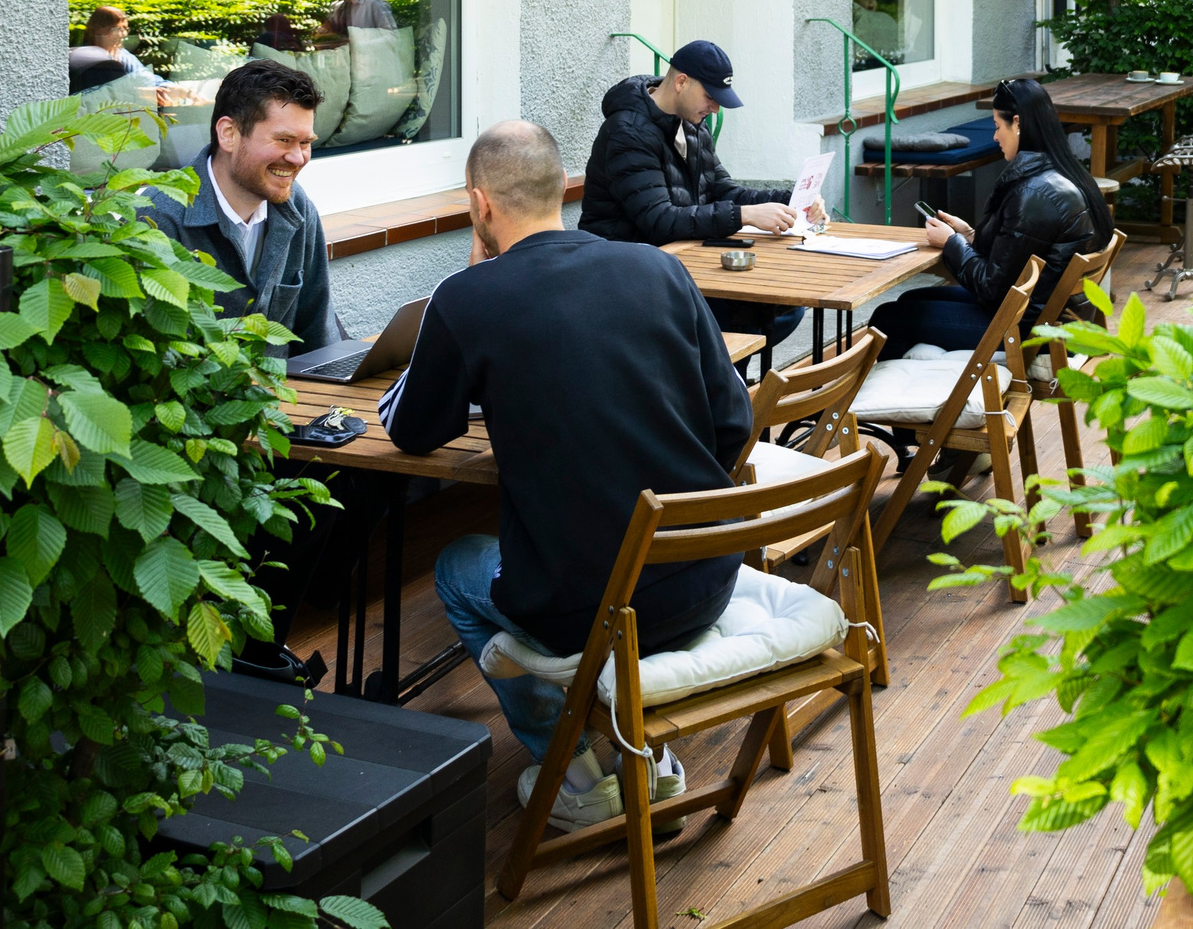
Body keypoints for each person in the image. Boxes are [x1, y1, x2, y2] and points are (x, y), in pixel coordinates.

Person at [387, 120, 752, 827]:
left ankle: (577, 769)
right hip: (708, 575)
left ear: (480, 204)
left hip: (594, 611)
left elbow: (412, 429)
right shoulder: (659, 268)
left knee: (459, 566)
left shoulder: (469, 300)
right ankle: (639, 751)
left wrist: (466, 288)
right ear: (565, 190)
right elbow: (732, 422)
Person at [580, 40, 817, 346]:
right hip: (629, 270)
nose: (715, 108)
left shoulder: (692, 123)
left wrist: (794, 200)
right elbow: (660, 220)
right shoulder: (627, 132)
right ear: (681, 82)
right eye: (710, 97)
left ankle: (724, 381)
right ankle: (721, 384)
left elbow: (722, 189)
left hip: (682, 262)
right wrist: (744, 215)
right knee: (745, 320)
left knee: (782, 308)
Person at [877, 78, 1112, 361]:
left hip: (1024, 331)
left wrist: (952, 243)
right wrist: (968, 235)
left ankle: (894, 401)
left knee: (886, 318)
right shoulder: (1065, 174)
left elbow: (990, 288)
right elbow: (1014, 257)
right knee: (909, 301)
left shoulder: (1034, 193)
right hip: (1041, 316)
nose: (995, 137)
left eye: (997, 126)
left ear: (1017, 123)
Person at [140, 58, 336, 356]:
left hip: (289, 400)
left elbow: (317, 338)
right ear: (229, 134)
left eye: (305, 143)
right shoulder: (158, 219)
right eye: (284, 140)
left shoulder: (297, 206)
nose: (298, 158)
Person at [73, 4, 163, 90]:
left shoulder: (122, 55)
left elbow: (145, 77)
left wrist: (166, 87)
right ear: (99, 29)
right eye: (119, 29)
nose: (124, 34)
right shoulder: (84, 58)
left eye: (126, 29)